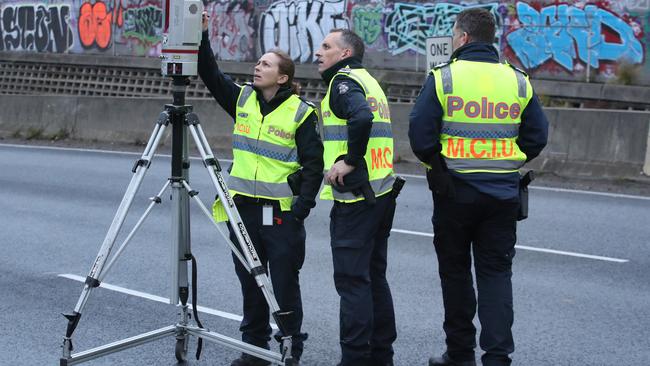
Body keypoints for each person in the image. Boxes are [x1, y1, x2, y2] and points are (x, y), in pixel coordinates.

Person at [409, 8, 548, 366]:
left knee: (455, 274)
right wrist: (509, 162)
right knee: (496, 275)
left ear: (464, 38)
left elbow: (420, 136)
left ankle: (459, 355)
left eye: (455, 35)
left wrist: (438, 167)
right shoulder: (517, 80)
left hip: (454, 192)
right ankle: (498, 358)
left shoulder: (445, 78)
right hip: (502, 193)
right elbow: (537, 135)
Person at [198, 12, 323, 366]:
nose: (257, 67)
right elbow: (209, 73)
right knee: (250, 282)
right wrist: (204, 34)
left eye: (265, 64)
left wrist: (301, 209)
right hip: (242, 210)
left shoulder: (301, 112)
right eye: (258, 62)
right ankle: (254, 349)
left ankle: (290, 347)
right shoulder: (242, 100)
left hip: (280, 213)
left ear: (282, 77)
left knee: (283, 284)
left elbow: (314, 165)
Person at [314, 29, 399, 366]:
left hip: (356, 199)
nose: (318, 52)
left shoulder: (343, 82)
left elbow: (361, 117)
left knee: (352, 282)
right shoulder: (370, 80)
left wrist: (349, 160)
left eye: (326, 47)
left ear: (345, 53)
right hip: (381, 192)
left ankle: (354, 359)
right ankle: (381, 357)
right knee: (373, 277)